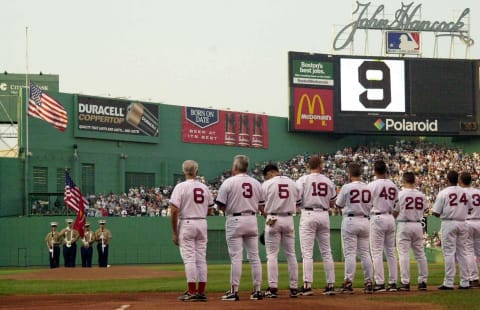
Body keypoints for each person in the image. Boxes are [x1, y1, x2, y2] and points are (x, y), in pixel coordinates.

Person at [215, 155, 265, 301]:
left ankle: (234, 291)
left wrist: (229, 207)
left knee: (236, 257)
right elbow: (261, 206)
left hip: (235, 219)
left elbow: (220, 204)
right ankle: (257, 291)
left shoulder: (228, 182)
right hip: (251, 219)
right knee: (254, 257)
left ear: (236, 167)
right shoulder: (256, 183)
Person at [170, 160, 215, 302]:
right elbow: (210, 210)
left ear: (184, 171)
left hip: (187, 222)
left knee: (189, 259)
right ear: (197, 171)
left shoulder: (180, 187)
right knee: (201, 258)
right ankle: (201, 292)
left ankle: (191, 292)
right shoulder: (204, 187)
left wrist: (175, 232)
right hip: (202, 222)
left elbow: (174, 210)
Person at [296, 155, 337, 296]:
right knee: (326, 251)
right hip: (324, 215)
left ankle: (307, 286)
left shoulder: (303, 179)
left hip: (308, 214)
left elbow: (296, 200)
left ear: (309, 166)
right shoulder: (328, 181)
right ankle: (330, 284)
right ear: (320, 166)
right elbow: (332, 203)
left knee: (307, 253)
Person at [261, 164, 300, 298]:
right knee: (291, 254)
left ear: (270, 173)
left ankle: (273, 288)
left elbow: (261, 204)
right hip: (289, 219)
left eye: (266, 175)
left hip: (273, 218)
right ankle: (294, 288)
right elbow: (299, 202)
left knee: (272, 255)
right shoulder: (293, 183)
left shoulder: (267, 184)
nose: (266, 178)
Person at [335, 163, 374, 294]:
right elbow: (372, 205)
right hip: (365, 220)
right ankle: (369, 282)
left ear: (350, 174)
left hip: (351, 220)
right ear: (360, 173)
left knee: (350, 253)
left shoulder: (346, 187)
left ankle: (348, 282)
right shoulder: (368, 188)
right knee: (365, 253)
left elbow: (338, 204)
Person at [432, 170, 471, 289]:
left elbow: (436, 213)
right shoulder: (465, 193)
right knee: (462, 253)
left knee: (449, 253)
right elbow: (469, 209)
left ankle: (448, 282)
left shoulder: (443, 193)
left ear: (447, 180)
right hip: (463, 223)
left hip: (449, 223)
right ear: (457, 179)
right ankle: (465, 282)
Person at [393, 172, 428, 291]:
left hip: (404, 224)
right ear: (414, 181)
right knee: (420, 254)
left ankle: (405, 282)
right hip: (418, 224)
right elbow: (425, 211)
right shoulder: (421, 195)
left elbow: (395, 211)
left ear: (404, 181)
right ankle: (423, 281)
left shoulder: (400, 194)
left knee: (404, 254)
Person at [368, 160, 399, 292]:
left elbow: (367, 204)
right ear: (386, 170)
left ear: (375, 171)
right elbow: (397, 207)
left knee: (376, 252)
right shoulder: (393, 185)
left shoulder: (371, 185)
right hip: (390, 217)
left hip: (377, 216)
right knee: (391, 252)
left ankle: (380, 283)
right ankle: (393, 283)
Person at [460, 172, 480, 288]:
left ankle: (474, 278)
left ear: (461, 181)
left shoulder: (461, 193)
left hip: (467, 221)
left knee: (468, 251)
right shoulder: (478, 192)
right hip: (479, 221)